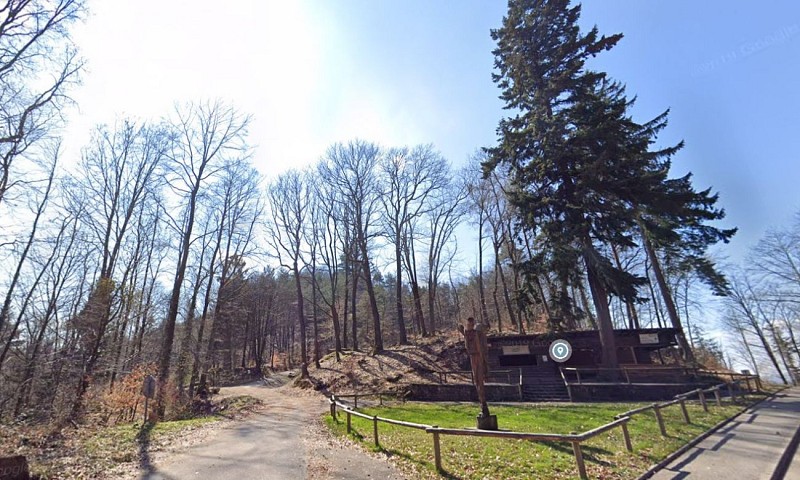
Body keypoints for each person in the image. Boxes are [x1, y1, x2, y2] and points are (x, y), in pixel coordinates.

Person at [460, 317, 491, 418]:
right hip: (474, 356)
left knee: (479, 381)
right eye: (469, 324)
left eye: (471, 324)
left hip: (479, 357)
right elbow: (462, 329)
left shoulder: (478, 334)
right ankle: (483, 406)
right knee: (478, 382)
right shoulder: (469, 333)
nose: (470, 326)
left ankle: (484, 407)